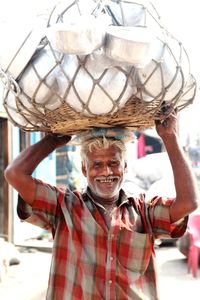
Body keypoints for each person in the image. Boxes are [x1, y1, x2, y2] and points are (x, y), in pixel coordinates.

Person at [4, 110, 199, 300]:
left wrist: (170, 137)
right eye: (97, 165)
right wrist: (52, 141)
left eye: (113, 163)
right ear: (84, 169)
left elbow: (189, 202)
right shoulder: (63, 206)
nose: (106, 172)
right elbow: (15, 174)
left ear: (124, 167)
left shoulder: (144, 211)